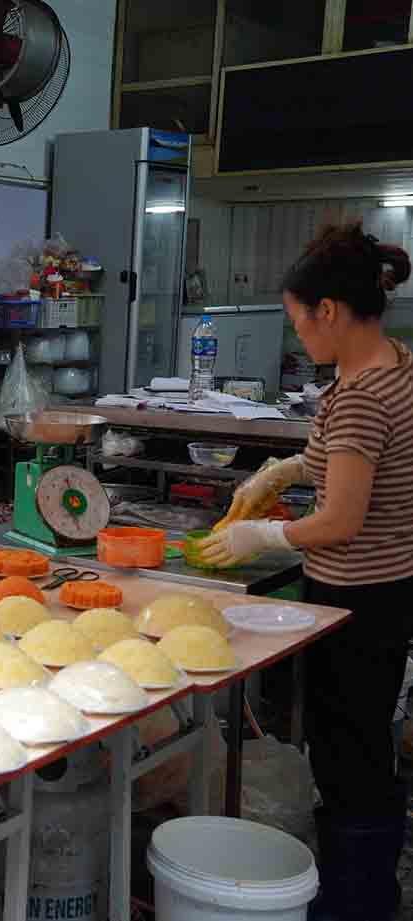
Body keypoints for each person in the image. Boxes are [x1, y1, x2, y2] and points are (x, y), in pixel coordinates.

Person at [199, 222, 413, 921]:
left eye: (298, 321)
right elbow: (351, 459)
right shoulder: (394, 363)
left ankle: (355, 902)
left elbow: (342, 519)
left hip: (354, 598)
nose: (296, 336)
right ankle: (370, 892)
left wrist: (263, 534)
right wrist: (287, 467)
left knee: (349, 759)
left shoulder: (360, 396)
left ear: (329, 310)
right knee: (366, 748)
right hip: (389, 590)